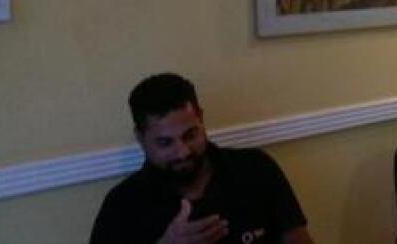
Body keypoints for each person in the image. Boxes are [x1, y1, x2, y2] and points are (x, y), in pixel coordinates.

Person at [90, 73, 315, 244]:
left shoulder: (255, 168)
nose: (183, 152)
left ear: (201, 119)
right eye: (165, 143)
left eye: (190, 135)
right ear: (141, 138)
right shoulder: (123, 205)